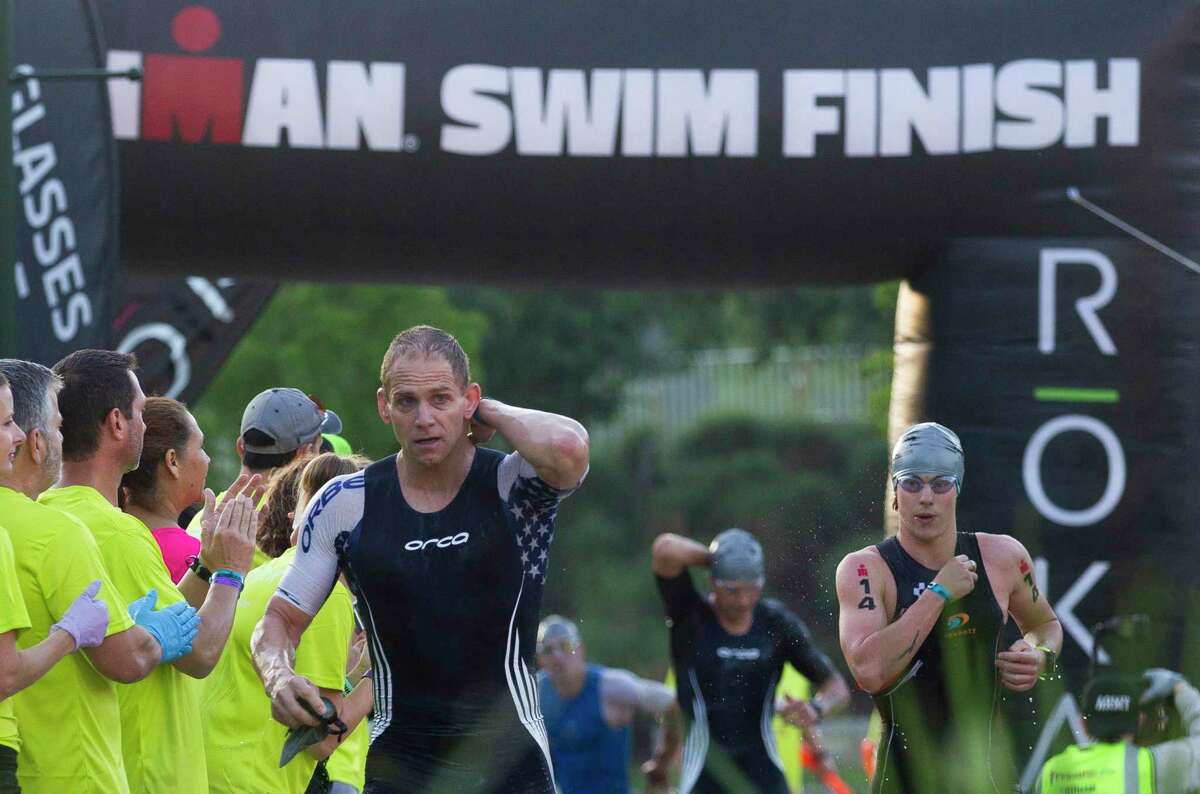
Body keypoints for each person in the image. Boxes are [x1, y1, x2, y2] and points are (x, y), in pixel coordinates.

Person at [253, 325, 590, 793]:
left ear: (469, 400)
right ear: (384, 407)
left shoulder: (512, 487)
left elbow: (569, 449)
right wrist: (278, 676)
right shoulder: (346, 503)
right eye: (407, 402)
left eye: (441, 399)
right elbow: (278, 622)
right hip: (401, 767)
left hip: (511, 766)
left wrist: (492, 412)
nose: (424, 418)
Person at [41, 349, 258, 794]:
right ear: (117, 423)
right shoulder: (118, 532)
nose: (145, 424)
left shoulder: (46, 512)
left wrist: (205, 566)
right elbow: (200, 654)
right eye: (140, 412)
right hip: (148, 773)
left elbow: (160, 618)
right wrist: (231, 573)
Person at [0, 359, 200, 794]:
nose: (61, 436)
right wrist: (224, 577)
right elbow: (128, 659)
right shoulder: (58, 532)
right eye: (56, 426)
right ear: (36, 443)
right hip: (76, 772)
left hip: (24, 766)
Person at [835, 421, 1064, 793]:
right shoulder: (865, 569)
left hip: (986, 779)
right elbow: (869, 672)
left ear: (957, 489)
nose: (926, 497)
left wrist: (1040, 656)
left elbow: (1046, 625)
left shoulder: (1003, 556)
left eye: (940, 484)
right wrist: (938, 593)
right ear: (895, 492)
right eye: (912, 483)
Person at [203, 452, 373, 794]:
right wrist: (380, 675)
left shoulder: (259, 574)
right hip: (253, 782)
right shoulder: (327, 595)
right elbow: (319, 740)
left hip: (211, 773)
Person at [650, 527, 851, 793]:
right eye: (732, 590)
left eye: (753, 588)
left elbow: (837, 687)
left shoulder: (776, 624)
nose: (744, 600)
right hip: (705, 778)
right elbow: (665, 549)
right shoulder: (690, 619)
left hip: (765, 777)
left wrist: (817, 708)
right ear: (713, 581)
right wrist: (719, 559)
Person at [187, 387, 341, 562]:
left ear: (240, 447)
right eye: (319, 448)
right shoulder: (293, 533)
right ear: (305, 455)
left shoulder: (203, 518)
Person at [535, 615, 681, 794]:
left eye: (565, 646)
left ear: (580, 649)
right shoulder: (536, 694)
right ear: (540, 659)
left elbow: (673, 703)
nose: (557, 657)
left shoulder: (611, 688)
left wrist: (662, 760)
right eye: (548, 650)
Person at [1036, 669, 1200, 793]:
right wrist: (1179, 687)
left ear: (1083, 724)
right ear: (1139, 721)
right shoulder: (1154, 765)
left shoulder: (1051, 772)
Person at [121, 397, 209, 582]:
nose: (207, 459)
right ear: (172, 461)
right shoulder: (195, 559)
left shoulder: (101, 535)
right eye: (201, 447)